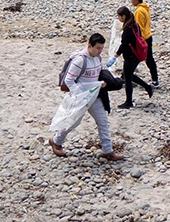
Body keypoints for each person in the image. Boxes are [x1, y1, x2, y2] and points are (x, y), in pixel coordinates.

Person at [49, 33, 124, 161]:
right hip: (81, 97)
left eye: (102, 48)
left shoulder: (97, 58)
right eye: (98, 48)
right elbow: (69, 80)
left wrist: (103, 83)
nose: (100, 51)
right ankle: (56, 141)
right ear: (90, 46)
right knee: (72, 122)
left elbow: (98, 73)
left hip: (94, 95)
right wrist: (79, 95)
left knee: (103, 122)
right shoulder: (80, 60)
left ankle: (107, 150)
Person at [113, 6, 154, 109]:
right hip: (136, 54)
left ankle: (129, 101)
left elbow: (124, 45)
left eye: (119, 16)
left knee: (127, 78)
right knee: (128, 74)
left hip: (130, 56)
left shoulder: (127, 29)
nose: (118, 18)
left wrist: (116, 54)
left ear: (124, 16)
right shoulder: (135, 25)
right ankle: (147, 87)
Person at [130, 0, 158, 88]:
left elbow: (139, 27)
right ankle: (155, 80)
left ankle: (127, 77)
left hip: (143, 38)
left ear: (136, 0)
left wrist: (136, 39)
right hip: (148, 35)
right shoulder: (145, 8)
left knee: (134, 58)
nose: (131, 1)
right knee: (149, 59)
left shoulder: (138, 11)